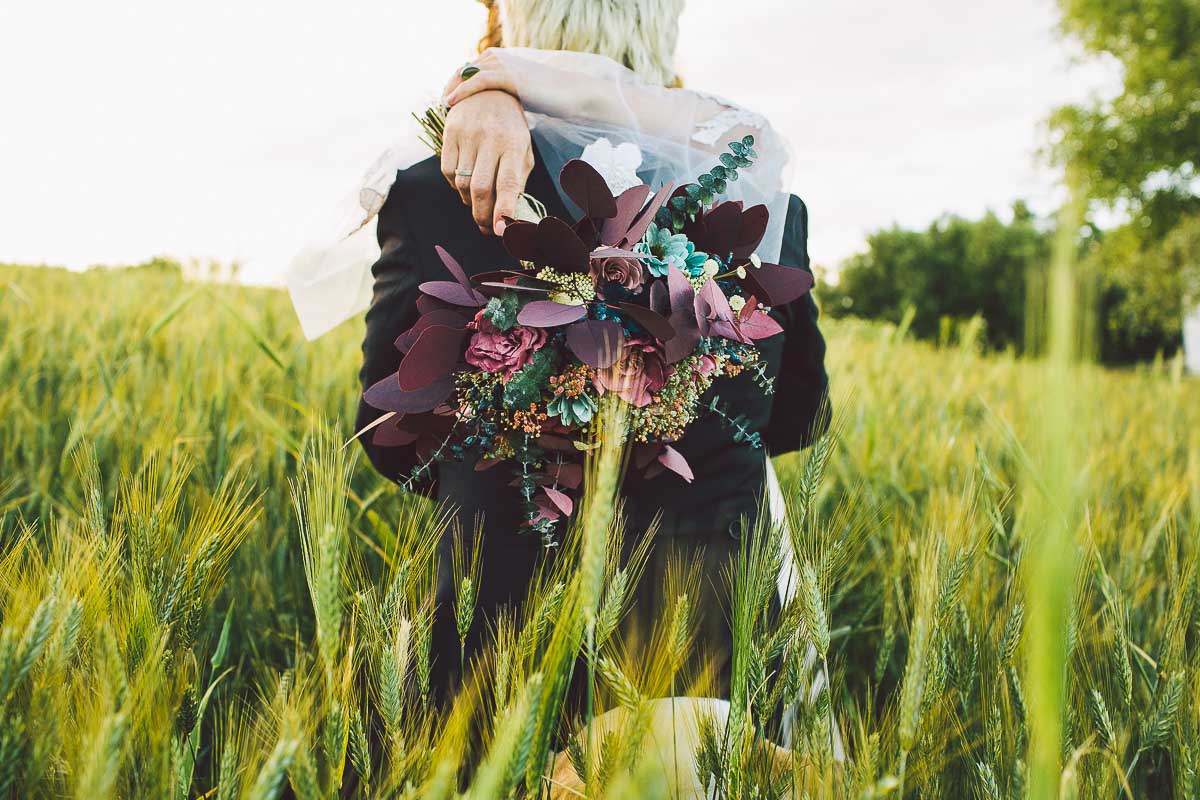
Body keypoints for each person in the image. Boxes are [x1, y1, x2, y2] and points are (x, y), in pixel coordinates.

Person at [304, 0, 829, 699]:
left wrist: (513, 468)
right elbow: (799, 417)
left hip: (495, 625)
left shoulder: (440, 190)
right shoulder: (763, 204)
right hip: (700, 628)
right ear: (661, 33)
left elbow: (390, 433)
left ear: (519, 32)